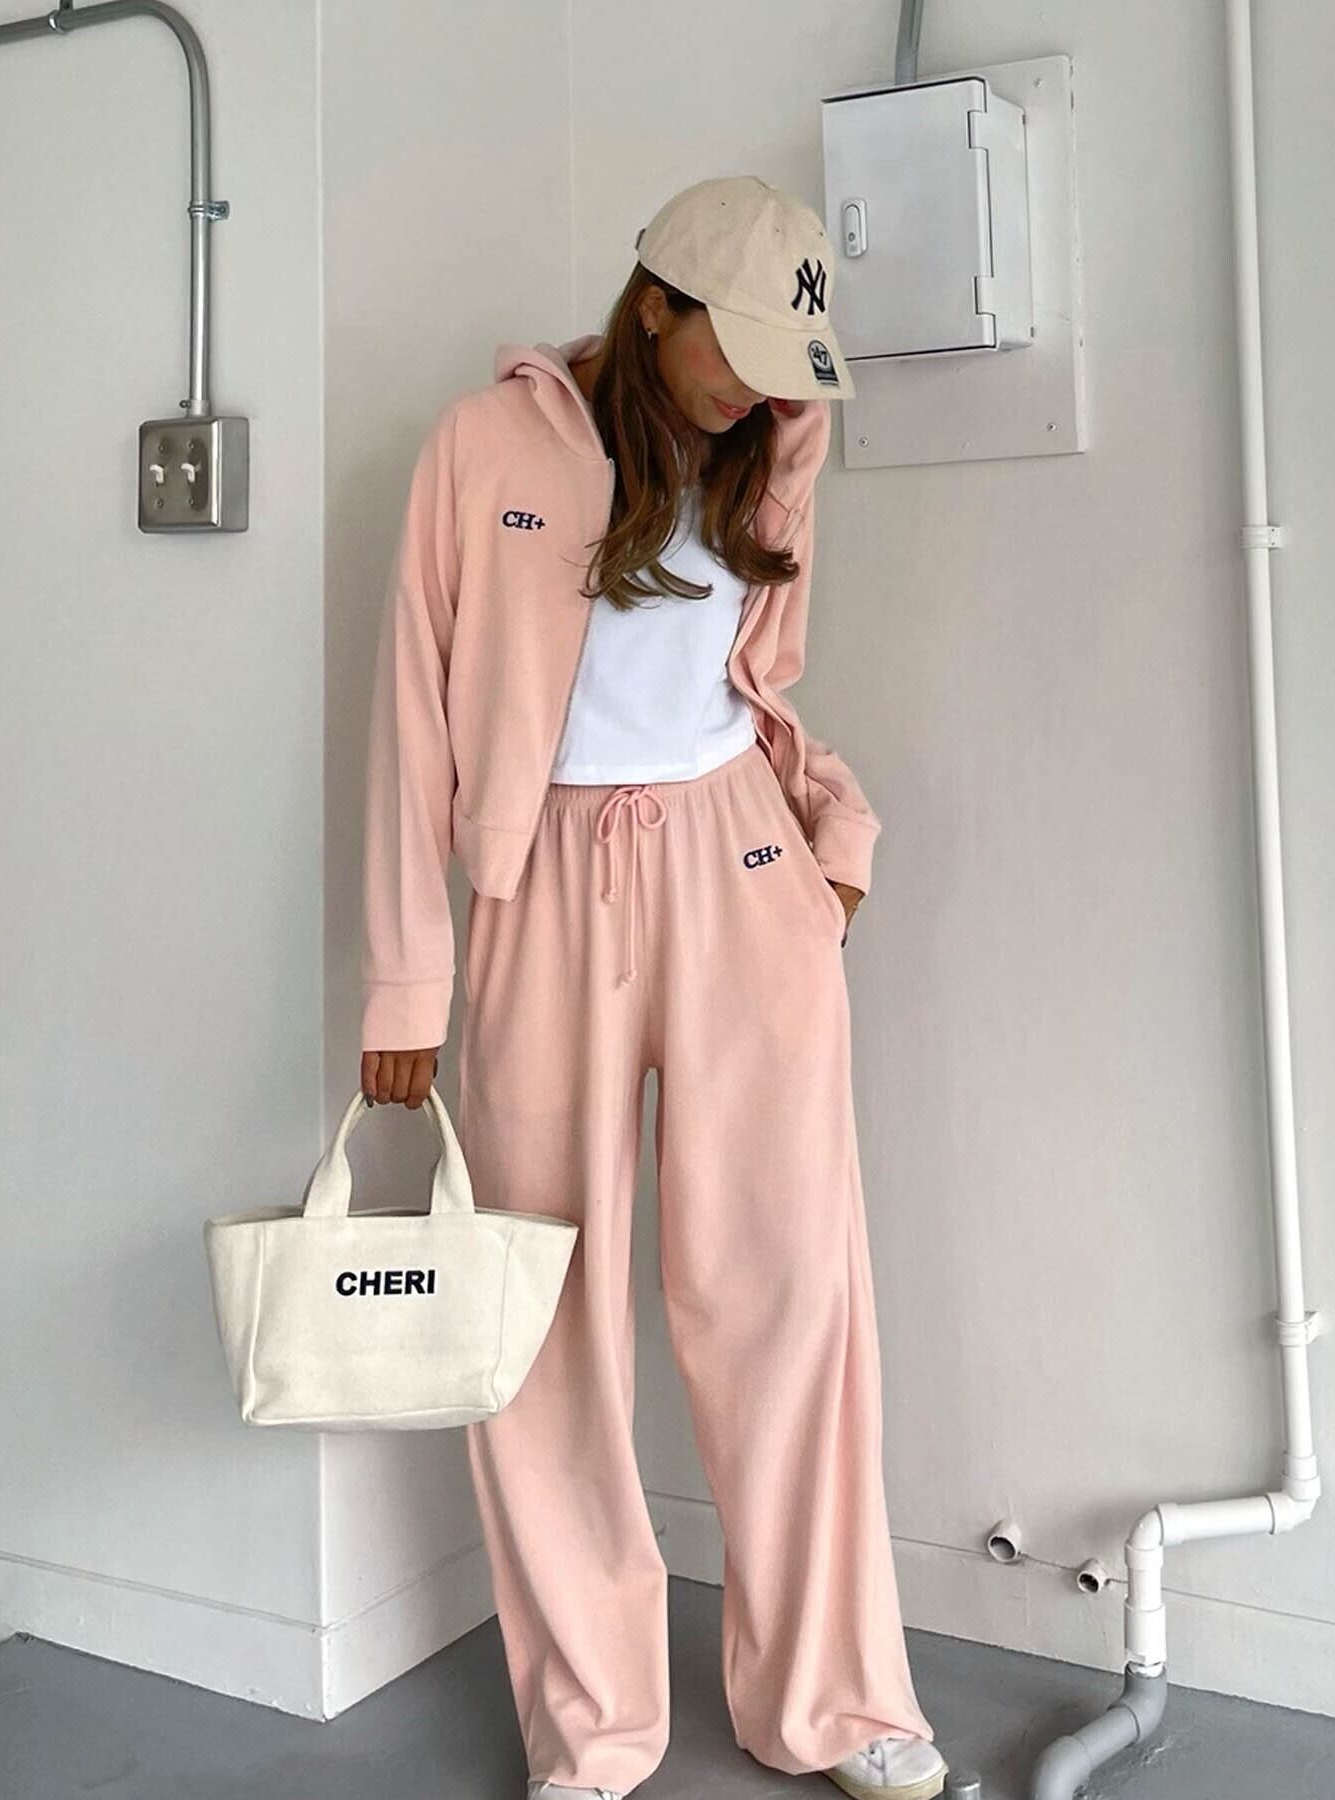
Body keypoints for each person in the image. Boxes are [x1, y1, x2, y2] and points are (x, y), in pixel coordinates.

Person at [357, 176, 948, 1800]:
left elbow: (763, 678)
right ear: (654, 306)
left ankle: (832, 1697)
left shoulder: (771, 449)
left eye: (782, 363)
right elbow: (413, 714)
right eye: (730, 349)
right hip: (542, 882)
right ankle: (592, 1725)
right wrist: (406, 986)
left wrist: (828, 856)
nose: (753, 387)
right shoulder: (482, 448)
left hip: (736, 866)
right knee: (541, 1312)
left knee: (788, 1286)